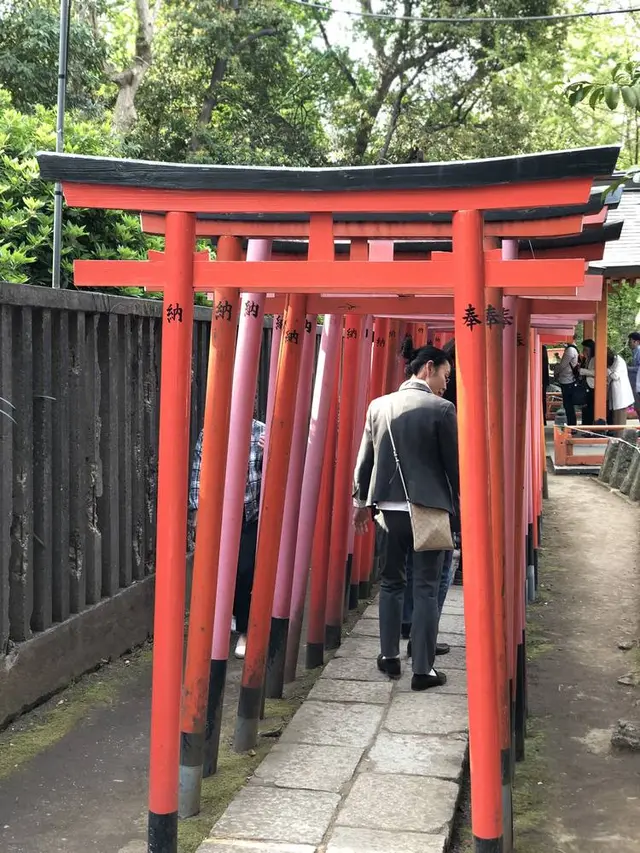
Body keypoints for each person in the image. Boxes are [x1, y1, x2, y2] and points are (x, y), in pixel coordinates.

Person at [352, 344, 459, 691]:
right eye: (445, 375)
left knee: (391, 583)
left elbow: (365, 460)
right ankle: (423, 670)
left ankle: (389, 656)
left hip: (387, 510)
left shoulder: (378, 406)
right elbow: (454, 468)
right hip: (429, 509)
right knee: (426, 588)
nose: (445, 383)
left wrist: (360, 503)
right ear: (429, 368)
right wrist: (462, 509)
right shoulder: (442, 409)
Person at [189, 418, 265, 659]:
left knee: (245, 570)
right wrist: (196, 510)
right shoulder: (211, 429)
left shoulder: (261, 431)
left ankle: (245, 630)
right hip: (219, 512)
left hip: (249, 512)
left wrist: (269, 452)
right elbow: (199, 469)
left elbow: (271, 475)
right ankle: (230, 614)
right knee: (219, 569)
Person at [553, 337, 580, 426]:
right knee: (569, 405)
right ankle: (572, 424)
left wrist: (556, 372)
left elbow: (562, 365)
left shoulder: (570, 350)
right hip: (569, 379)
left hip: (567, 380)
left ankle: (572, 425)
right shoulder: (574, 349)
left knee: (568, 405)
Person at [607, 348, 635, 426]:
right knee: (615, 418)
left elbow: (615, 376)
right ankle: (617, 433)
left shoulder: (619, 361)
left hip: (621, 394)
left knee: (620, 420)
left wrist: (607, 370)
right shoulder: (614, 361)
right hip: (616, 394)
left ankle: (620, 433)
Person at [578, 339, 596, 426]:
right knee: (585, 407)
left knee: (591, 407)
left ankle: (590, 424)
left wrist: (582, 371)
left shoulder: (595, 359)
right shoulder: (587, 359)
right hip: (586, 385)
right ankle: (585, 424)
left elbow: (596, 372)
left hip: (592, 386)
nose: (584, 351)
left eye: (586, 349)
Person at [628, 332, 640, 420]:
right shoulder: (635, 352)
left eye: (631, 341)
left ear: (637, 342)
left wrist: (628, 368)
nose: (629, 343)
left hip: (638, 384)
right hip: (635, 383)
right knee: (637, 407)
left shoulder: (639, 351)